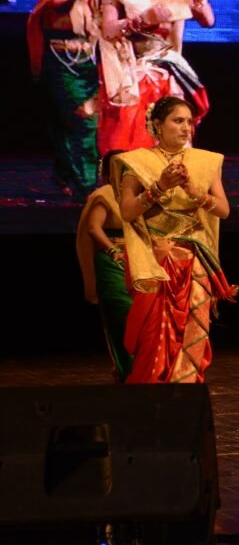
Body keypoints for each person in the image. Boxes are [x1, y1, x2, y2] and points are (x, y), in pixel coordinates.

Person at [111, 96, 237, 384]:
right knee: (154, 335)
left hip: (194, 261)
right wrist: (159, 187)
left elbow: (223, 210)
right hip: (155, 260)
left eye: (189, 122)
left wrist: (194, 192)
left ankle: (187, 389)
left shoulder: (205, 162)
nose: (185, 128)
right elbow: (128, 211)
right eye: (178, 121)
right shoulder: (136, 162)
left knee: (193, 330)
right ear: (157, 124)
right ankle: (151, 393)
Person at [95, 0, 214, 155]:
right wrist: (142, 20)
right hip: (131, 75)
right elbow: (108, 29)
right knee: (135, 143)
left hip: (169, 72)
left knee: (174, 142)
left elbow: (208, 20)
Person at [26, 0, 99, 198]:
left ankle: (65, 174)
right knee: (83, 122)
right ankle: (86, 184)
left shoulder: (86, 1)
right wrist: (36, 66)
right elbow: (35, 23)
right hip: (62, 67)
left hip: (86, 69)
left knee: (76, 124)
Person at [76, 148, 133, 381]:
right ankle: (126, 369)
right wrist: (112, 250)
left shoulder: (134, 195)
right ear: (109, 172)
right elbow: (93, 227)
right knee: (121, 315)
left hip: (135, 259)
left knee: (140, 316)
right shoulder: (105, 194)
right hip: (112, 262)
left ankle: (143, 369)